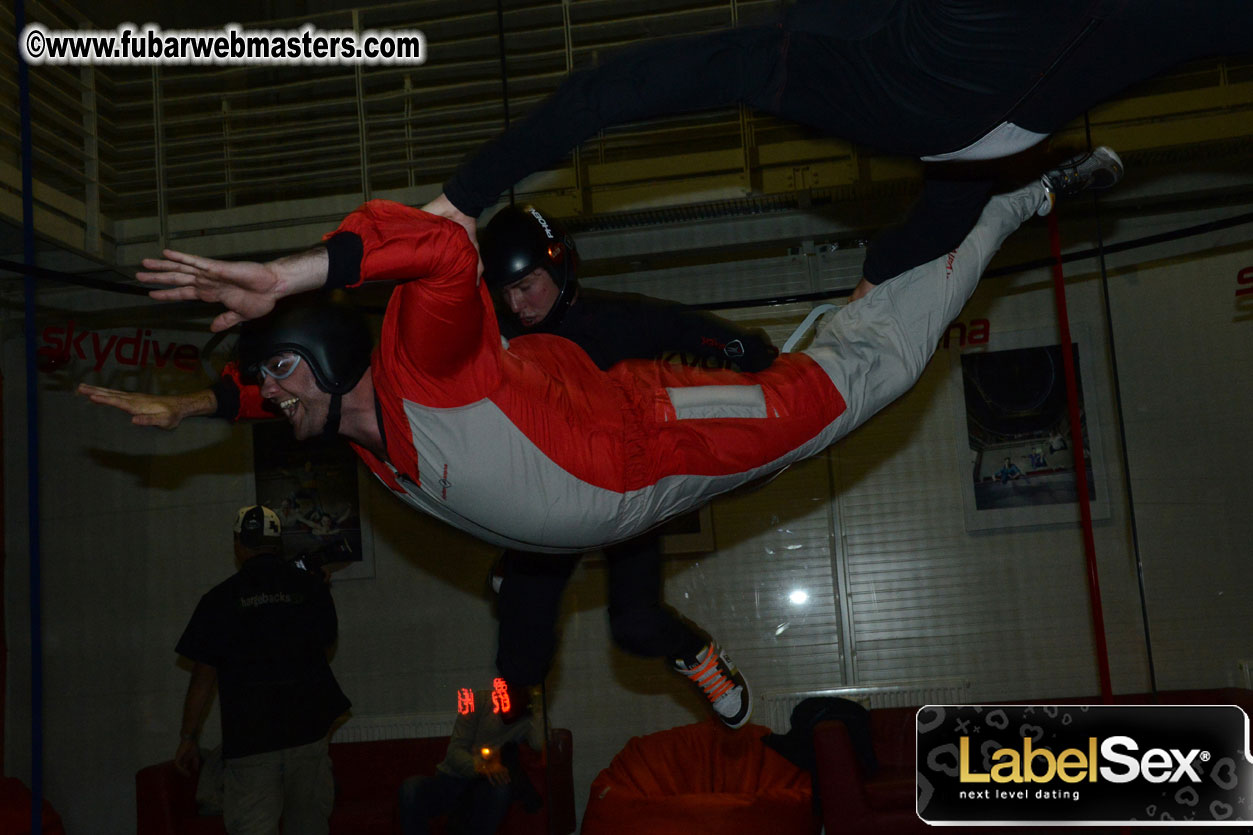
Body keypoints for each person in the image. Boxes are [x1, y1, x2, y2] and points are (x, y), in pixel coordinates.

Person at [76, 151, 1121, 557]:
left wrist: (289, 273)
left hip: (650, 441)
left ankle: (1006, 199)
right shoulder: (362, 432)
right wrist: (194, 408)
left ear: (313, 347)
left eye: (274, 369)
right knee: (855, 346)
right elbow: (284, 401)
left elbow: (443, 245)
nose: (269, 391)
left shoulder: (416, 365)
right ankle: (935, 228)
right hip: (633, 478)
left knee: (864, 380)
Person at [419, 0, 1246, 297]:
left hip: (979, 133)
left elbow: (621, 88)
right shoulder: (814, 52)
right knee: (947, 207)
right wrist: (466, 194)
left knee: (948, 211)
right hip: (957, 121)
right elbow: (622, 89)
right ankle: (971, 224)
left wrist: (465, 195)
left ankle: (996, 213)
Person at [481, 205, 773, 729]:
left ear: (561, 265)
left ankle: (700, 656)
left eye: (527, 286)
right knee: (521, 660)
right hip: (551, 498)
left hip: (625, 487)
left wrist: (738, 346)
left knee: (636, 625)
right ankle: (513, 567)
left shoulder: (609, 319)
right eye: (505, 292)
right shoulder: (499, 335)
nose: (517, 304)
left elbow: (681, 327)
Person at [174, 505, 351, 835]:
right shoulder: (310, 587)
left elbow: (203, 677)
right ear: (277, 544)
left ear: (238, 545)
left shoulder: (219, 600)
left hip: (251, 742)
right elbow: (327, 645)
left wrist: (188, 737)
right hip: (307, 736)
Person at [397, 682, 546, 835]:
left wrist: (537, 706)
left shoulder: (526, 718)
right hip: (450, 780)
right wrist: (482, 766)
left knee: (501, 790)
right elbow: (455, 752)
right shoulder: (479, 702)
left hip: (482, 788)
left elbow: (540, 743)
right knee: (411, 788)